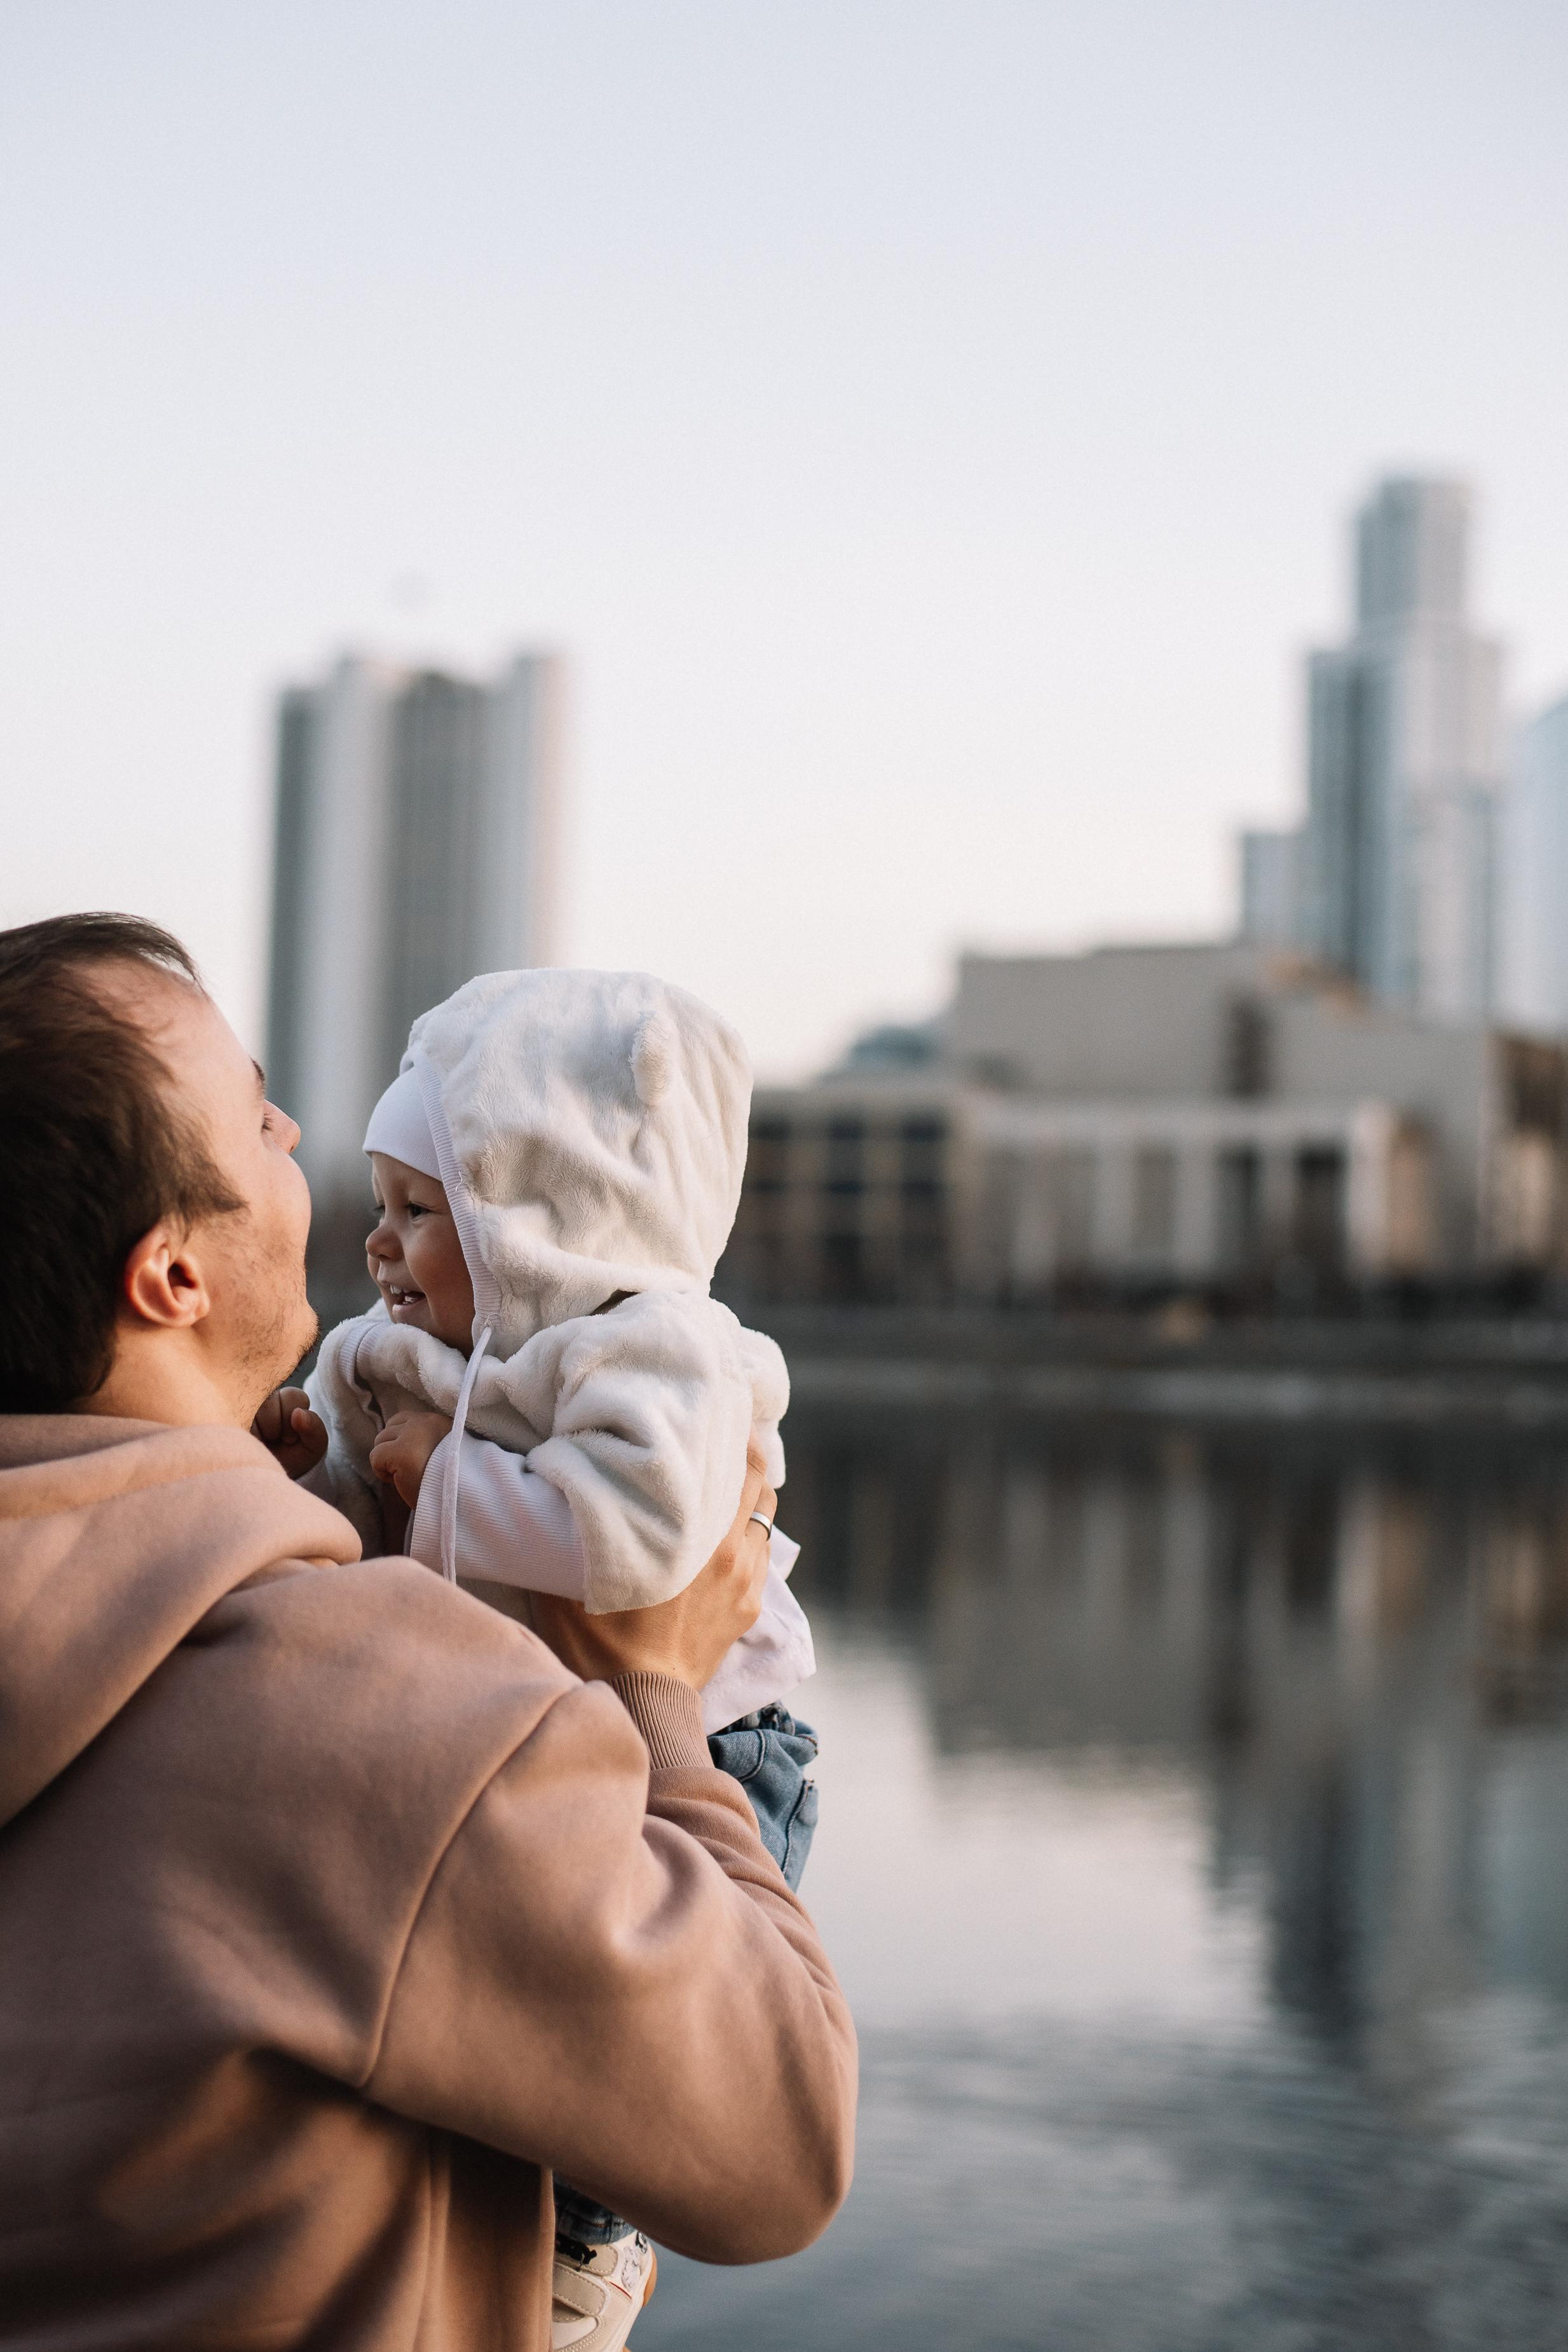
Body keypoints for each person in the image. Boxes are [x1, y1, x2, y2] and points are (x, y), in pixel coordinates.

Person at [0, 913, 856, 2352]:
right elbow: (780, 2138)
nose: (293, 1134)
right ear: (172, 1276)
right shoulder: (379, 1714)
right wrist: (653, 1691)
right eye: (254, 1114)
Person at [270, 965, 821, 2306]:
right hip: (543, 1731)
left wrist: (428, 1479)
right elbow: (373, 1534)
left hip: (715, 1735)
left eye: (421, 1210)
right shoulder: (395, 1355)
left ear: (541, 1217)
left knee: (639, 2036)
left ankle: (582, 2251)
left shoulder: (654, 1351)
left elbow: (632, 1538)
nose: (378, 1244)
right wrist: (315, 1474)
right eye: (382, 1204)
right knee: (528, 2024)